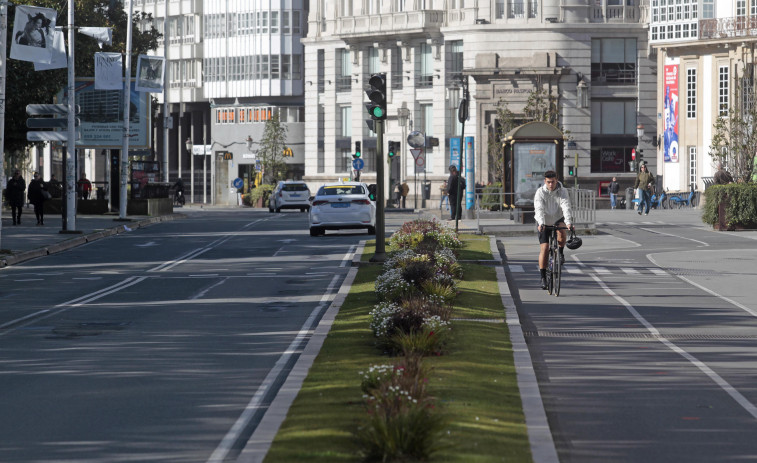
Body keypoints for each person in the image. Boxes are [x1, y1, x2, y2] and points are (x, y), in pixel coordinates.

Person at [534, 170, 574, 290]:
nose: (551, 185)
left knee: (562, 232)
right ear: (545, 181)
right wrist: (541, 223)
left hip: (557, 217)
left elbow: (566, 206)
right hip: (544, 220)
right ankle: (543, 277)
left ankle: (560, 253)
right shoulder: (540, 192)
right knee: (545, 248)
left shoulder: (562, 191)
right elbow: (539, 208)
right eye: (548, 182)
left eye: (553, 182)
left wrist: (568, 222)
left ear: (557, 180)